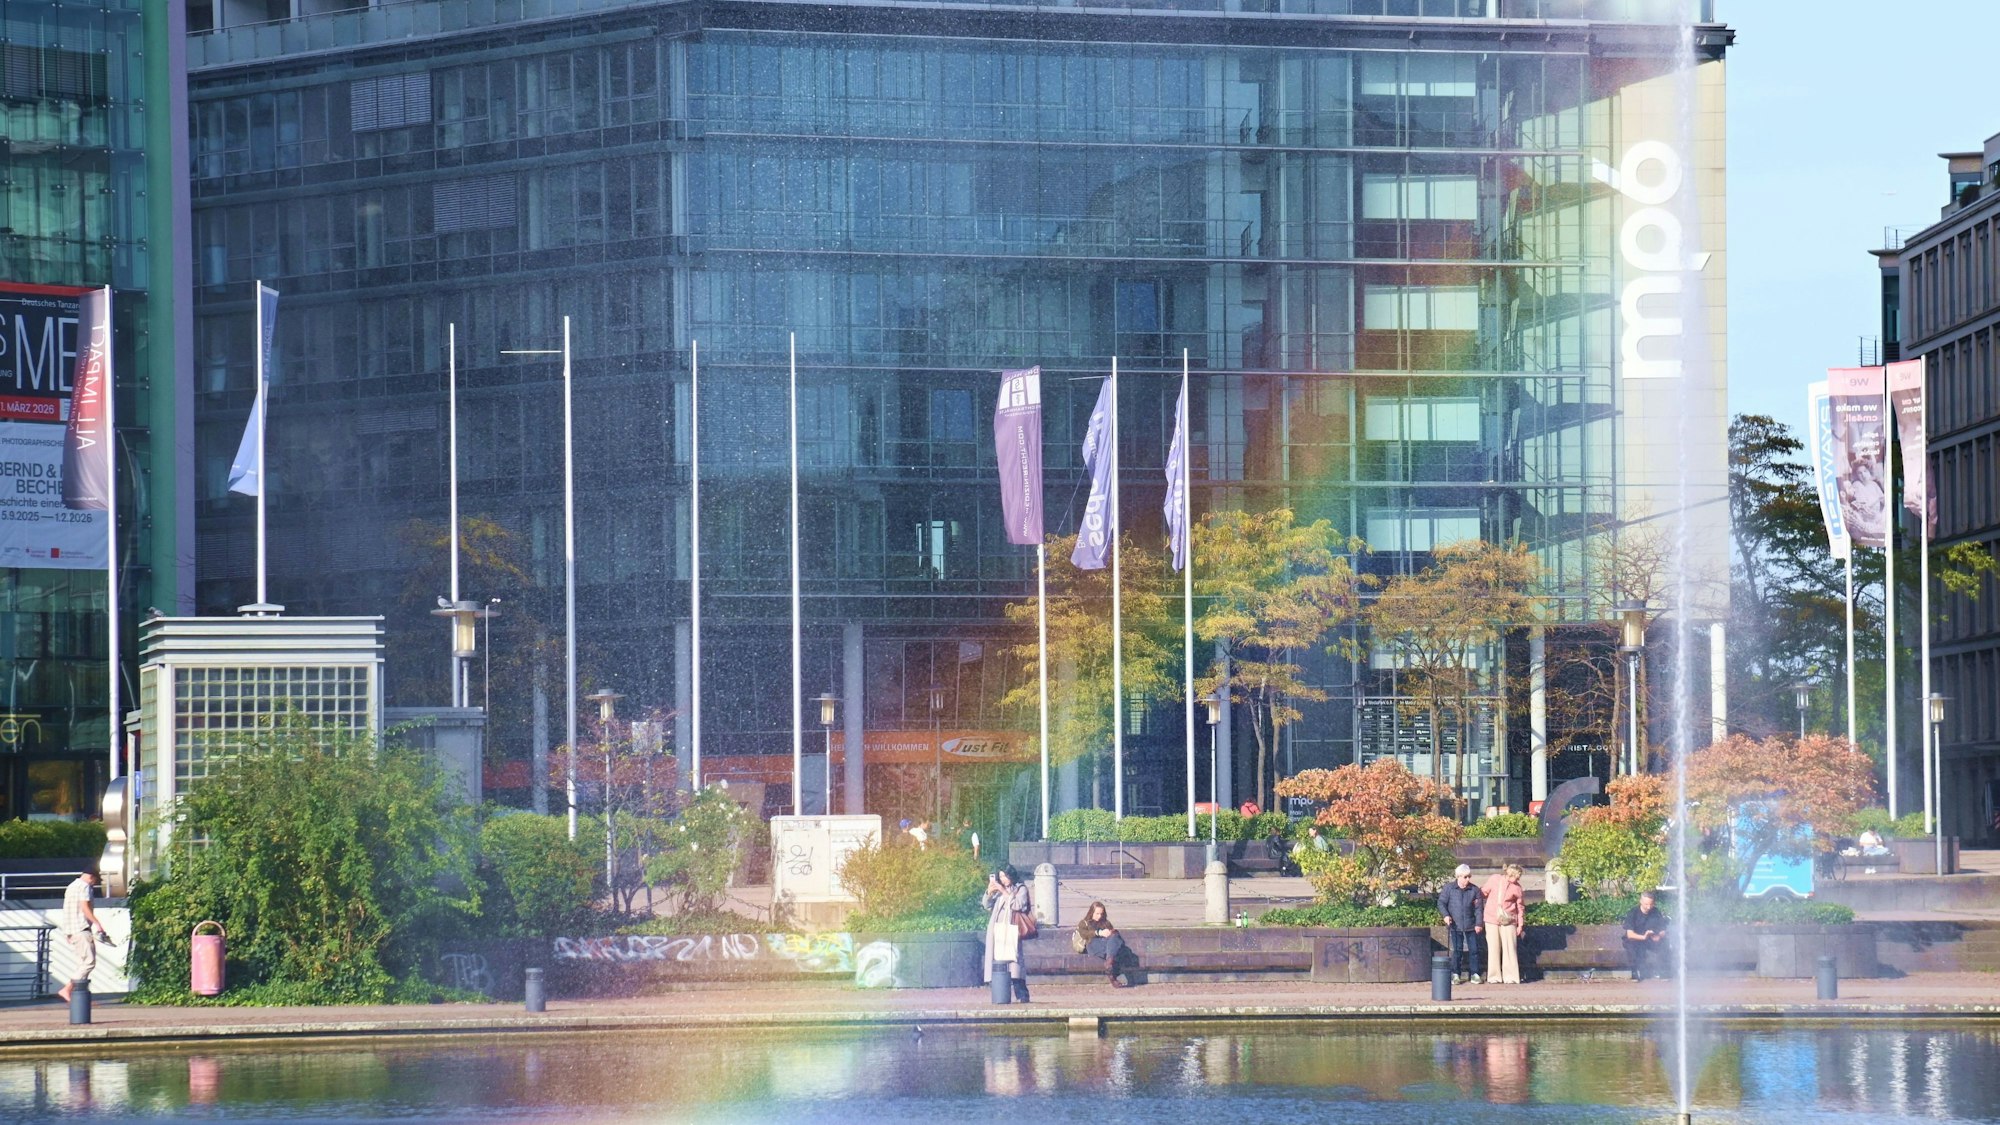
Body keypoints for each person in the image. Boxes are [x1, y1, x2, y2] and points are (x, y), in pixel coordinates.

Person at [982, 866, 1033, 1002]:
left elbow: (1018, 905)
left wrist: (1003, 891)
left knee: (1014, 962)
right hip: (997, 929)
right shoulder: (998, 891)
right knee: (997, 960)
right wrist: (989, 892)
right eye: (1001, 877)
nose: (1003, 879)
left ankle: (1021, 994)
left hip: (1011, 928)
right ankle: (1000, 993)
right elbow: (986, 906)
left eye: (1005, 876)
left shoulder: (1020, 889)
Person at [58, 870, 106, 1004]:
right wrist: (98, 924)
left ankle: (80, 998)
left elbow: (67, 909)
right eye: (95, 881)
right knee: (89, 962)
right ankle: (68, 989)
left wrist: (68, 932)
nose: (95, 884)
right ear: (91, 877)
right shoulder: (85, 887)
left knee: (81, 964)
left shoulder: (71, 886)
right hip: (82, 929)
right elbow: (85, 908)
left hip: (72, 930)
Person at [1437, 863, 1485, 984]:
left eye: (1469, 876)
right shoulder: (1449, 888)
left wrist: (1479, 923)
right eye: (1465, 877)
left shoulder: (1474, 890)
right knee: (1457, 950)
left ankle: (1475, 973)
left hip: (1471, 924)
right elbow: (1441, 903)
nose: (1468, 879)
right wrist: (1446, 915)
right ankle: (1456, 974)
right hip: (1455, 924)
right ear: (1458, 877)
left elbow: (1479, 908)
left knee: (1474, 950)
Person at [1481, 864, 1526, 985]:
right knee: (1493, 948)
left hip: (1509, 920)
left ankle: (1511, 976)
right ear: (1510, 874)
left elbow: (1520, 907)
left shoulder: (1517, 888)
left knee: (1510, 948)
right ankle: (1494, 976)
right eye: (1516, 877)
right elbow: (1483, 892)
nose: (1517, 880)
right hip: (1491, 919)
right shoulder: (1494, 879)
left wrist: (1520, 925)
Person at [1074, 901, 1132, 987]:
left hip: (1107, 947)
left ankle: (1109, 963)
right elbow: (1084, 934)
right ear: (1091, 912)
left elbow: (1114, 938)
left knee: (1115, 937)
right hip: (1093, 945)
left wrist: (1111, 932)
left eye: (1101, 914)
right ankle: (1111, 969)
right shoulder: (1084, 923)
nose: (1099, 916)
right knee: (1113, 948)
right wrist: (1099, 933)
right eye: (1097, 914)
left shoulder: (1106, 923)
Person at [1622, 891, 1670, 981]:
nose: (1648, 907)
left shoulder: (1656, 912)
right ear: (1641, 901)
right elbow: (1630, 934)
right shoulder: (1633, 913)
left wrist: (1658, 936)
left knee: (1664, 943)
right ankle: (1635, 972)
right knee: (1631, 945)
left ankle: (1663, 971)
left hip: (1650, 939)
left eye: (1651, 904)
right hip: (1636, 939)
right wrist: (1643, 937)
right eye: (1646, 904)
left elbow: (1663, 930)